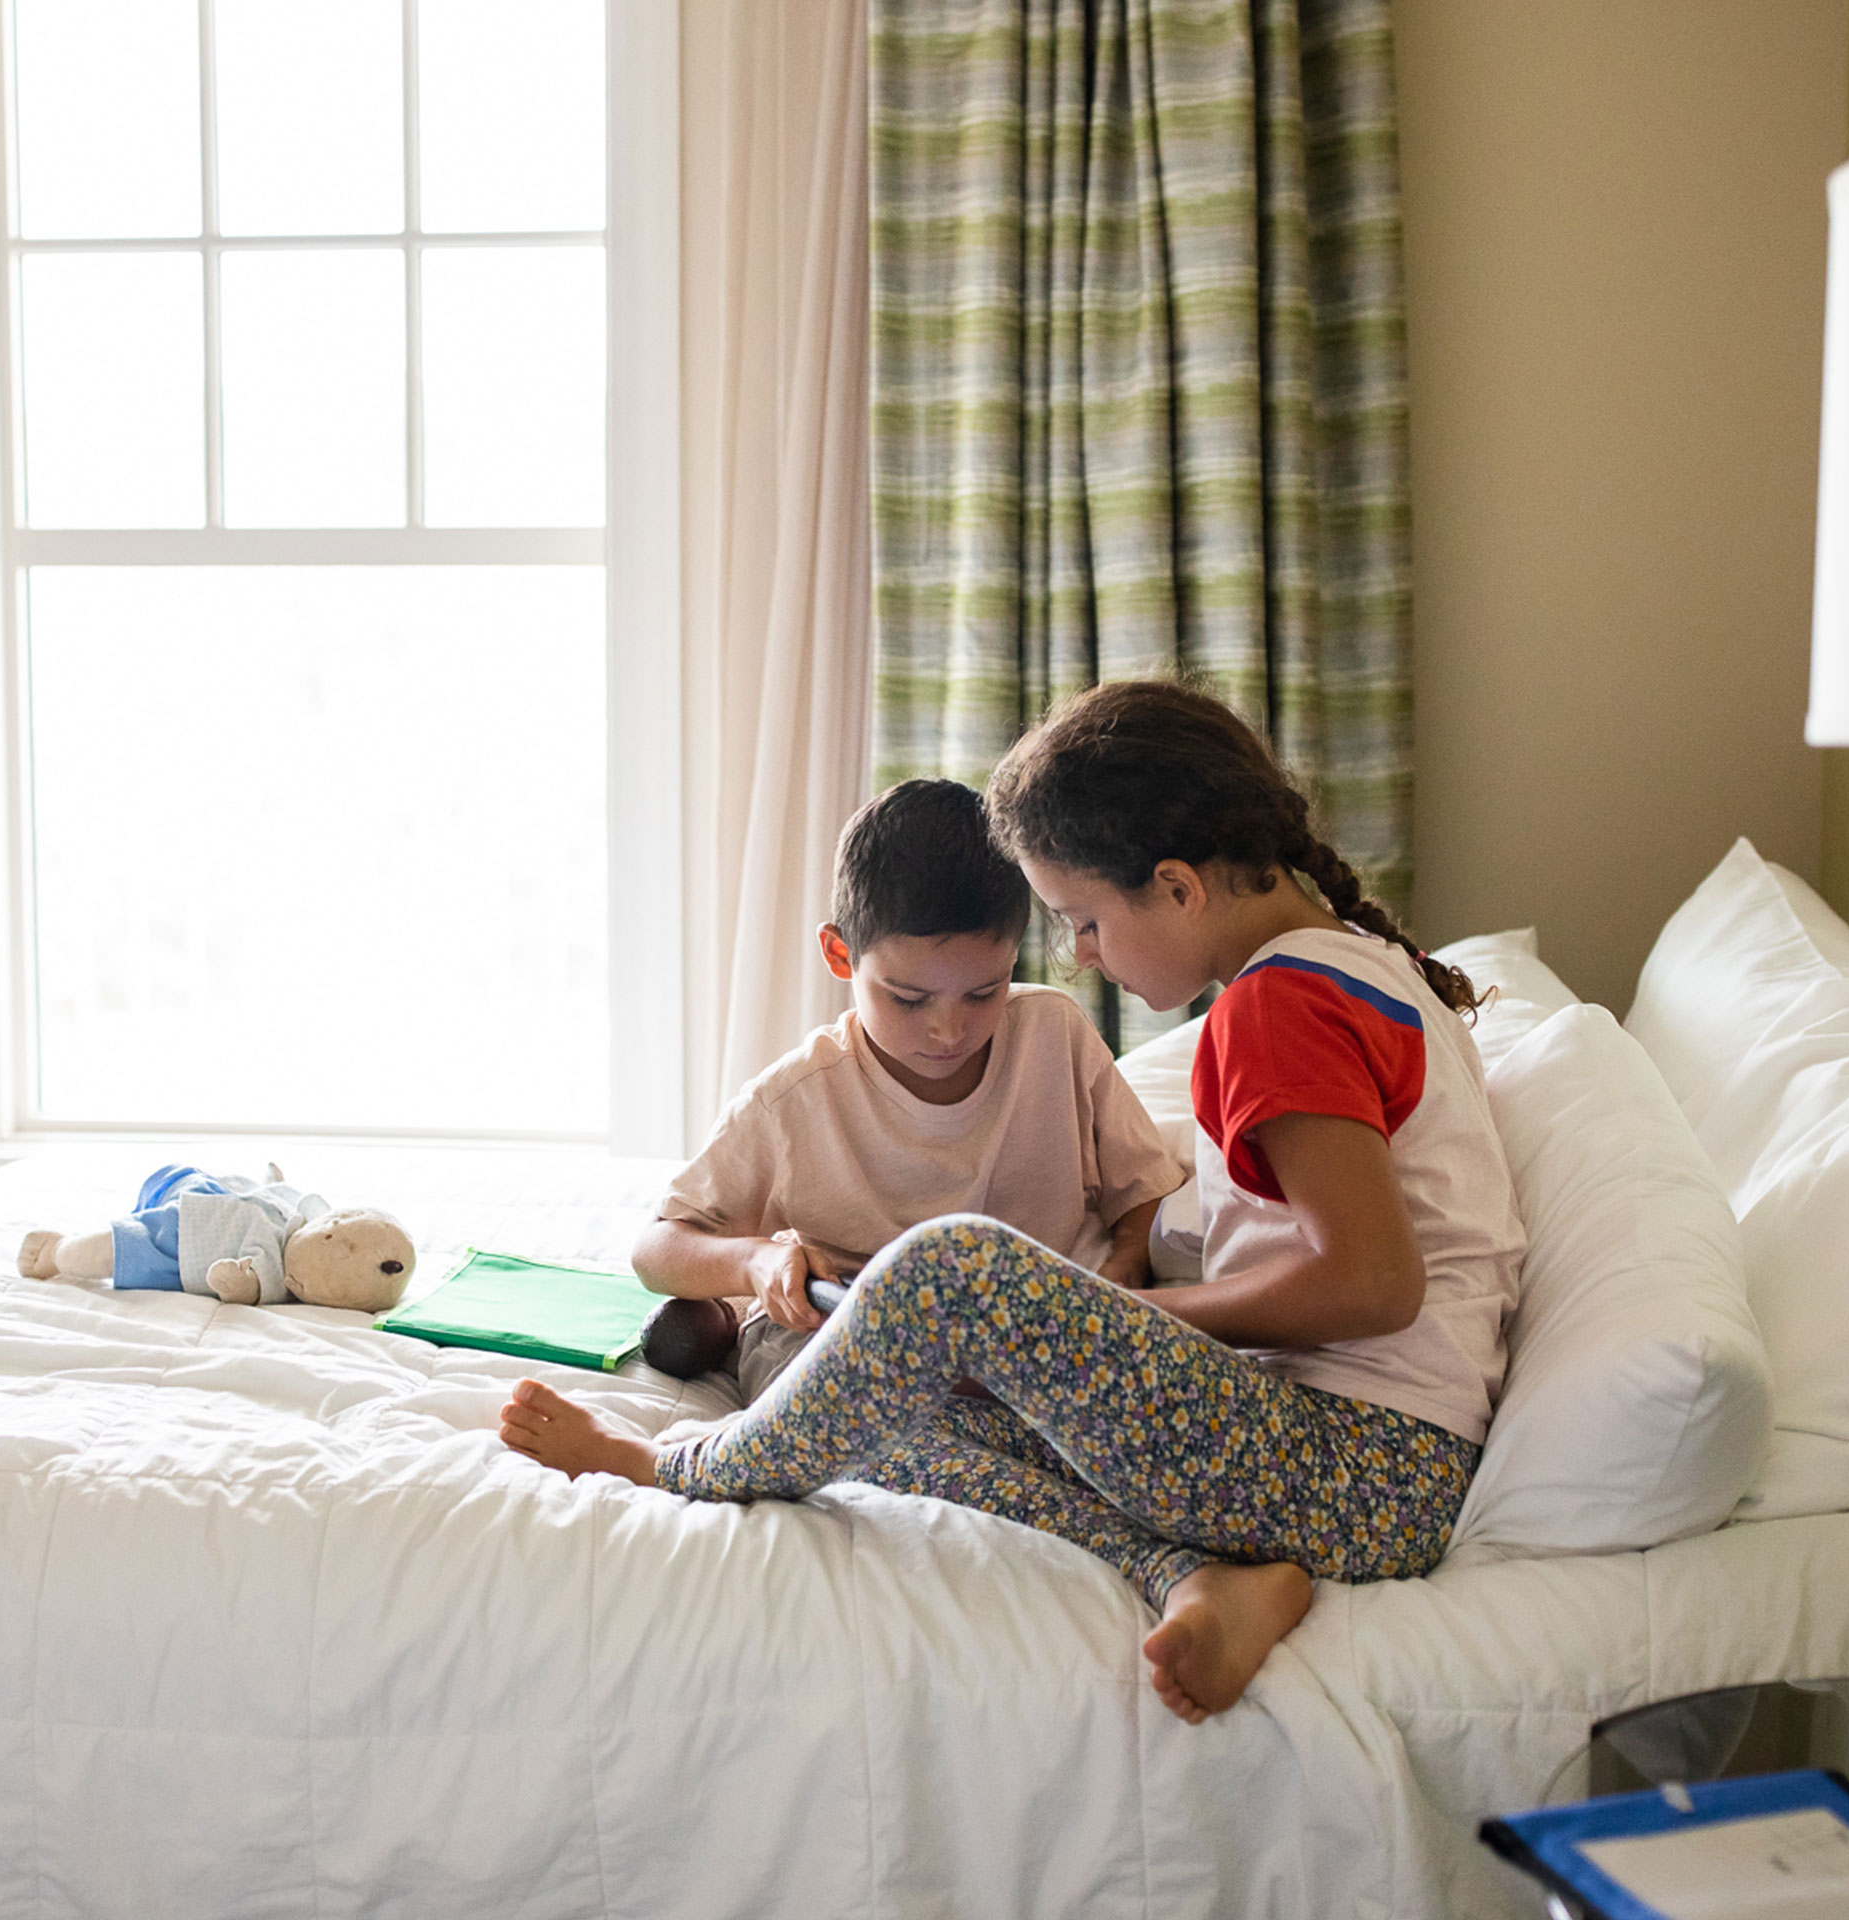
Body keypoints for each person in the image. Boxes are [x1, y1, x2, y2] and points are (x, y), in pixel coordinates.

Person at [503, 681, 1524, 1725]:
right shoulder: (1359, 965)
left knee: (950, 1266)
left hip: (1361, 1468)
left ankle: (674, 1468)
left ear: (1177, 888)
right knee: (882, 1404)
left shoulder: (1277, 1006)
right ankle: (1195, 1573)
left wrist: (1121, 1315)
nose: (1082, 955)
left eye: (1086, 921)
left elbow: (1373, 1282)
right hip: (1361, 1477)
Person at [631, 776, 1182, 1403]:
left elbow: (1144, 1189)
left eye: (984, 993)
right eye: (908, 999)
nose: (949, 1031)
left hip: (1033, 1340)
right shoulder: (795, 1099)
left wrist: (1124, 1268)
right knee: (825, 1400)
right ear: (840, 955)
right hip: (858, 1341)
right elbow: (656, 1248)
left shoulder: (1054, 1034)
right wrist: (755, 1261)